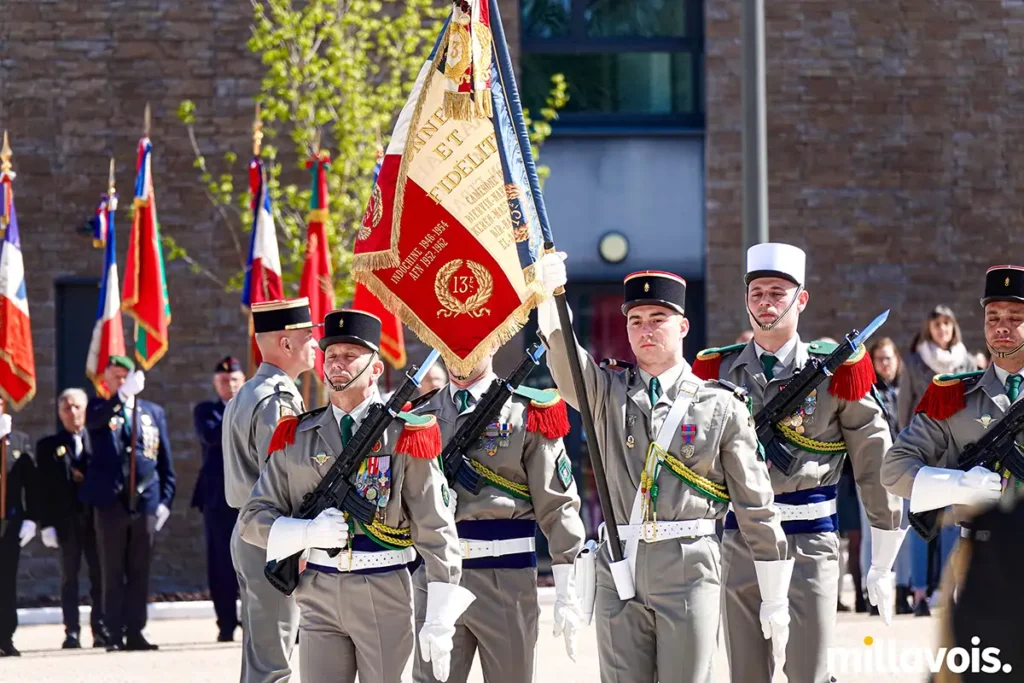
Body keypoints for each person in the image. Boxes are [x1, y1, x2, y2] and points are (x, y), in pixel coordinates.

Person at [535, 255, 791, 683]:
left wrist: (775, 596)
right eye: (635, 321)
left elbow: (756, 505)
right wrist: (549, 300)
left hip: (689, 565)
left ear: (683, 327)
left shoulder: (720, 404)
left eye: (658, 319)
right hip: (620, 563)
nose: (646, 330)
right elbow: (566, 364)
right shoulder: (608, 392)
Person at [691, 243, 905, 683]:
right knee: (747, 674)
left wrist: (883, 556)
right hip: (742, 541)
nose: (766, 303)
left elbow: (874, 458)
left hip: (810, 540)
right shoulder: (717, 371)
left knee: (810, 671)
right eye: (757, 294)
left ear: (801, 299)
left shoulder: (837, 369)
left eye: (777, 293)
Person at [239, 309, 472, 683]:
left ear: (376, 369)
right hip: (317, 591)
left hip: (383, 588)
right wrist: (305, 533)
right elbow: (253, 518)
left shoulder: (404, 436)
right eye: (331, 355)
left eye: (350, 355)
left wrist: (441, 617)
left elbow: (436, 529)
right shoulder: (296, 436)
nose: (337, 363)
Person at [409, 347, 586, 683]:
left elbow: (557, 502)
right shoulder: (419, 416)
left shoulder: (526, 410)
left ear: (492, 344)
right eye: (450, 342)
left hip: (506, 576)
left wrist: (567, 581)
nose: (459, 352)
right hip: (436, 578)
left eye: (471, 342)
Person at [881, 265, 1024, 594]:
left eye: (1015, 318)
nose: (1002, 326)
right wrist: (958, 485)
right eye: (993, 318)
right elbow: (894, 469)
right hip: (981, 560)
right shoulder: (953, 397)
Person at [221, 298, 317, 683]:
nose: (315, 344)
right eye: (307, 336)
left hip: (252, 532)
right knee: (273, 663)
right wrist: (301, 543)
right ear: (286, 344)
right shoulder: (278, 399)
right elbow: (282, 478)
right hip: (272, 535)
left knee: (260, 656)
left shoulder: (248, 391)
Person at [81, 355, 175, 651]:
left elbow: (164, 460)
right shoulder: (98, 408)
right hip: (111, 502)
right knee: (111, 570)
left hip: (146, 500)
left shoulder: (152, 412)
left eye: (125, 376)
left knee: (139, 569)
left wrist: (165, 500)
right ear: (106, 380)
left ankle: (136, 630)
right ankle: (112, 632)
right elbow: (94, 423)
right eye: (116, 377)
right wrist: (121, 397)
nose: (121, 381)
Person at [896, 305, 976, 616]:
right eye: (936, 324)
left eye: (946, 324)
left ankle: (946, 588)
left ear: (953, 327)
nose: (942, 329)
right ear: (928, 328)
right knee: (920, 523)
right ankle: (918, 592)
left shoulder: (967, 362)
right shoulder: (914, 362)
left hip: (957, 453)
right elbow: (904, 409)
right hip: (924, 452)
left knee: (952, 525)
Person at [35, 388, 108, 649]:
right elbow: (43, 489)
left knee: (100, 575)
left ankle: (101, 628)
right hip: (66, 521)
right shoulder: (48, 447)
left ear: (86, 410)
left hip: (96, 519)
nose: (72, 412)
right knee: (70, 578)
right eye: (66, 408)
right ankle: (72, 631)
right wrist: (47, 524)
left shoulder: (99, 441)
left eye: (77, 407)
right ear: (59, 413)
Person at [191, 357, 246, 642]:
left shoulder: (252, 410)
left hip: (249, 497)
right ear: (216, 384)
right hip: (217, 498)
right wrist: (239, 410)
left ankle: (253, 620)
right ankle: (226, 622)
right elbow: (212, 436)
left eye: (235, 380)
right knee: (221, 562)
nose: (230, 385)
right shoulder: (207, 411)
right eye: (224, 381)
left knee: (252, 561)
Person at [0, 396, 37, 657]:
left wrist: (32, 518)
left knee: (7, 580)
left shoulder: (20, 441)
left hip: (10, 522)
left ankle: (5, 636)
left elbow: (31, 484)